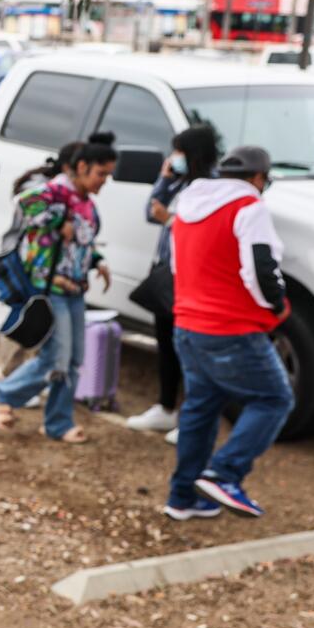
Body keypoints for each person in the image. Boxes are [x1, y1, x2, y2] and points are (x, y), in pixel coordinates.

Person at [164, 145, 293, 521]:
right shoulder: (249, 207)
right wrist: (276, 305)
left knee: (201, 409)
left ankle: (182, 496)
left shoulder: (187, 205)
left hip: (187, 325)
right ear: (257, 177)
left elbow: (176, 265)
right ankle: (224, 472)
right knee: (274, 399)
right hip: (230, 328)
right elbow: (261, 268)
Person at [0, 132, 115, 444]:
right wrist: (57, 221)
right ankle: (0, 392)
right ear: (81, 166)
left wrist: (97, 260)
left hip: (75, 289)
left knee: (73, 359)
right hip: (50, 287)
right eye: (100, 174)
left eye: (108, 175)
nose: (104, 181)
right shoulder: (55, 192)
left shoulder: (86, 203)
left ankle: (57, 422)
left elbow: (83, 241)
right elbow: (24, 204)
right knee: (56, 358)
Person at [126, 125, 220, 445]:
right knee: (166, 342)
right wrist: (165, 178)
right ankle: (166, 407)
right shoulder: (179, 182)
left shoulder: (213, 186)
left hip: (193, 279)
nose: (174, 157)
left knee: (190, 349)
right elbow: (150, 213)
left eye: (179, 151)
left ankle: (192, 417)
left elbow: (206, 229)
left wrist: (169, 219)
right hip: (167, 273)